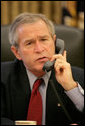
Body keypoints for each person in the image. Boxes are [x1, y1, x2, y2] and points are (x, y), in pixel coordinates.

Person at [1, 13, 84, 125]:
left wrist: (70, 87)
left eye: (44, 39)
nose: (39, 49)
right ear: (16, 52)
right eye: (29, 43)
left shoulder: (79, 77)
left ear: (55, 43)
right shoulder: (3, 76)